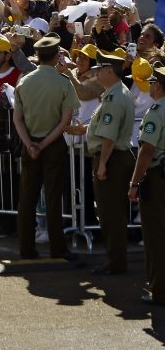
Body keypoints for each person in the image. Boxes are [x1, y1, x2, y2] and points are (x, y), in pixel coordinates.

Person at [13, 34, 80, 260]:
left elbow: (17, 120)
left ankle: (25, 247)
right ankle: (57, 248)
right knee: (52, 198)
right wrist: (42, 144)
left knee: (27, 197)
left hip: (30, 143)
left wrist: (30, 144)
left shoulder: (24, 82)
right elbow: (64, 122)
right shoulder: (63, 83)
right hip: (52, 145)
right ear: (55, 56)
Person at [86, 50, 135, 275]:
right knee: (112, 213)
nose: (96, 73)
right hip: (115, 157)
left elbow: (108, 136)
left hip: (112, 159)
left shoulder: (115, 97)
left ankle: (115, 262)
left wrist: (103, 163)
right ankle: (115, 260)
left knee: (110, 214)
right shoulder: (115, 93)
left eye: (99, 70)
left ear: (109, 71)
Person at [129, 62, 165, 306]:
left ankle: (160, 290)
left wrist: (134, 182)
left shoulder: (156, 111)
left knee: (155, 236)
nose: (150, 86)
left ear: (159, 87)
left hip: (158, 178)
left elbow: (147, 150)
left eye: (152, 82)